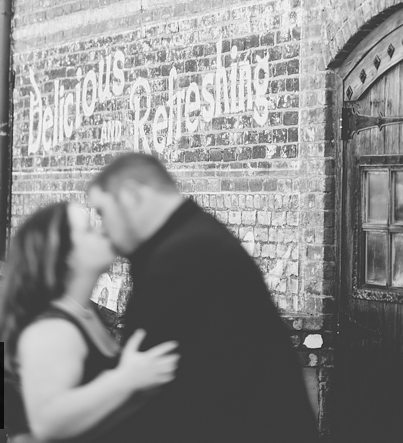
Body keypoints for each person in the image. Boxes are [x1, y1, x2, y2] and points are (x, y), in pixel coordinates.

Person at [87, 152, 320, 443]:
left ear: (132, 195)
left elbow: (150, 406)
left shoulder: (178, 261)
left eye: (101, 212)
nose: (103, 229)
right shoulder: (198, 239)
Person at [0, 200, 179, 442]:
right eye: (89, 229)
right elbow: (48, 422)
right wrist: (126, 378)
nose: (102, 230)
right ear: (66, 256)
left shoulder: (85, 314)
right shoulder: (52, 331)